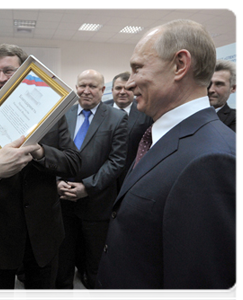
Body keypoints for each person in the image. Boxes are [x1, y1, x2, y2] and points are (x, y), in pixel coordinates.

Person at [95, 19, 239, 300]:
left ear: (179, 65)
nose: (130, 82)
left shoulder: (213, 160)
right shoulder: (157, 136)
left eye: (138, 68)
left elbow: (203, 287)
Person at [0, 43, 81, 300]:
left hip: (44, 234)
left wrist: (41, 152)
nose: (0, 79)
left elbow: (73, 163)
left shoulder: (52, 116)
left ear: (24, 73)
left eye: (8, 71)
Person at [55, 69, 127, 300]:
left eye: (92, 86)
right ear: (76, 87)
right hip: (62, 204)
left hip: (96, 205)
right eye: (82, 85)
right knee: (62, 264)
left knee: (96, 266)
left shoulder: (116, 118)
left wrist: (87, 187)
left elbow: (116, 162)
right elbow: (52, 153)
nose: (86, 90)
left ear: (102, 89)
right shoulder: (62, 114)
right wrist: (57, 182)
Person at [110, 72, 153, 188]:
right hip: (103, 179)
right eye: (118, 88)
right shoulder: (100, 110)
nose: (122, 92)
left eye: (127, 88)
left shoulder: (146, 112)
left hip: (132, 177)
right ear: (112, 90)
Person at [208, 59, 240, 135]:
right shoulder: (189, 112)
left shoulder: (237, 119)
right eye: (208, 83)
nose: (210, 90)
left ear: (233, 88)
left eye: (219, 84)